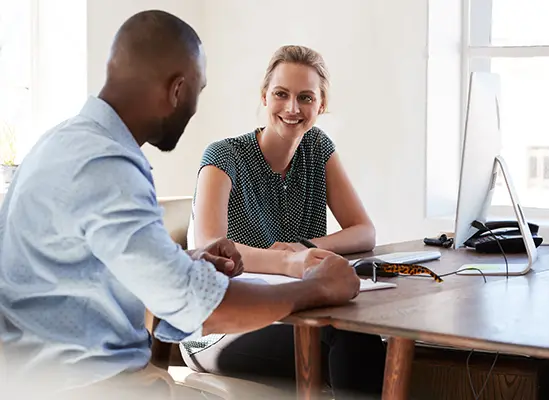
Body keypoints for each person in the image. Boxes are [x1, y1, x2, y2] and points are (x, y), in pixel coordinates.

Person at [0, 11, 360, 400]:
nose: (193, 109)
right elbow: (201, 309)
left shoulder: (66, 142)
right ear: (176, 90)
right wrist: (315, 289)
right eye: (197, 92)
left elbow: (95, 269)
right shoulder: (106, 166)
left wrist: (187, 260)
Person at [182, 45, 386, 399]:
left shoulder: (318, 148)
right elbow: (209, 247)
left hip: (291, 309)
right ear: (264, 97)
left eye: (306, 98)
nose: (293, 109)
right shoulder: (223, 156)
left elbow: (364, 231)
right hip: (217, 327)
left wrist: (306, 249)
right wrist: (289, 262)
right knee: (346, 343)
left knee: (360, 332)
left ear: (320, 106)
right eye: (281, 94)